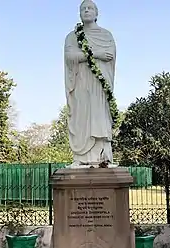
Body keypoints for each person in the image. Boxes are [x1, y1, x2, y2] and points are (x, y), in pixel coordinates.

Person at [64, 0, 116, 167]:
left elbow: (110, 55)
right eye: (83, 9)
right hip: (80, 83)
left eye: (90, 8)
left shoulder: (106, 35)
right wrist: (96, 54)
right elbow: (70, 57)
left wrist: (88, 55)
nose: (86, 10)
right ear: (79, 13)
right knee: (82, 117)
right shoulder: (72, 36)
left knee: (99, 115)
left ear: (96, 13)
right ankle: (81, 157)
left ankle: (103, 157)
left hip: (99, 84)